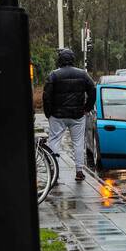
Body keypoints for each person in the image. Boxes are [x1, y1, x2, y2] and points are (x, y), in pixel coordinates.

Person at [43, 48, 96, 181]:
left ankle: (53, 171)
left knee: (54, 141)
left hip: (57, 115)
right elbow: (93, 90)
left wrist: (48, 113)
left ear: (60, 60)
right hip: (77, 115)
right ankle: (79, 171)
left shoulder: (54, 75)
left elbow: (46, 96)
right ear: (73, 59)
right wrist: (87, 108)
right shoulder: (83, 74)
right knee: (78, 143)